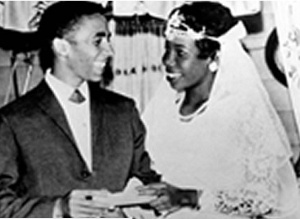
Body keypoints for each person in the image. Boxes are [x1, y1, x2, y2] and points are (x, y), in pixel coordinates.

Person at [138, 1, 300, 219]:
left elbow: (266, 197)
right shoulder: (163, 108)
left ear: (213, 58)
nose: (167, 61)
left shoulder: (240, 114)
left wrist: (189, 197)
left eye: (180, 53)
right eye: (167, 49)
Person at [0, 1, 160, 218]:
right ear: (62, 47)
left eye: (108, 39)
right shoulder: (12, 120)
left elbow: (149, 181)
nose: (109, 50)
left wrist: (130, 208)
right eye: (98, 41)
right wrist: (59, 208)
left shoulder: (124, 111)